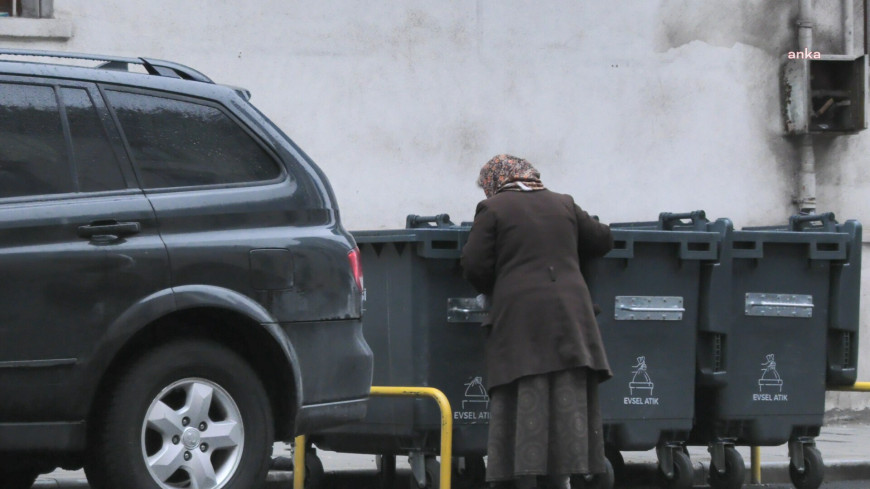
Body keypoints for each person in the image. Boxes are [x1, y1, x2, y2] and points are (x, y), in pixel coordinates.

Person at [460, 154, 613, 489]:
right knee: (564, 394)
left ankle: (523, 478)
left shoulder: (494, 210)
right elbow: (602, 239)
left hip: (521, 319)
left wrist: (500, 287)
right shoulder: (563, 203)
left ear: (493, 182)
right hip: (571, 316)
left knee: (524, 393)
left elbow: (473, 264)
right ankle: (562, 479)